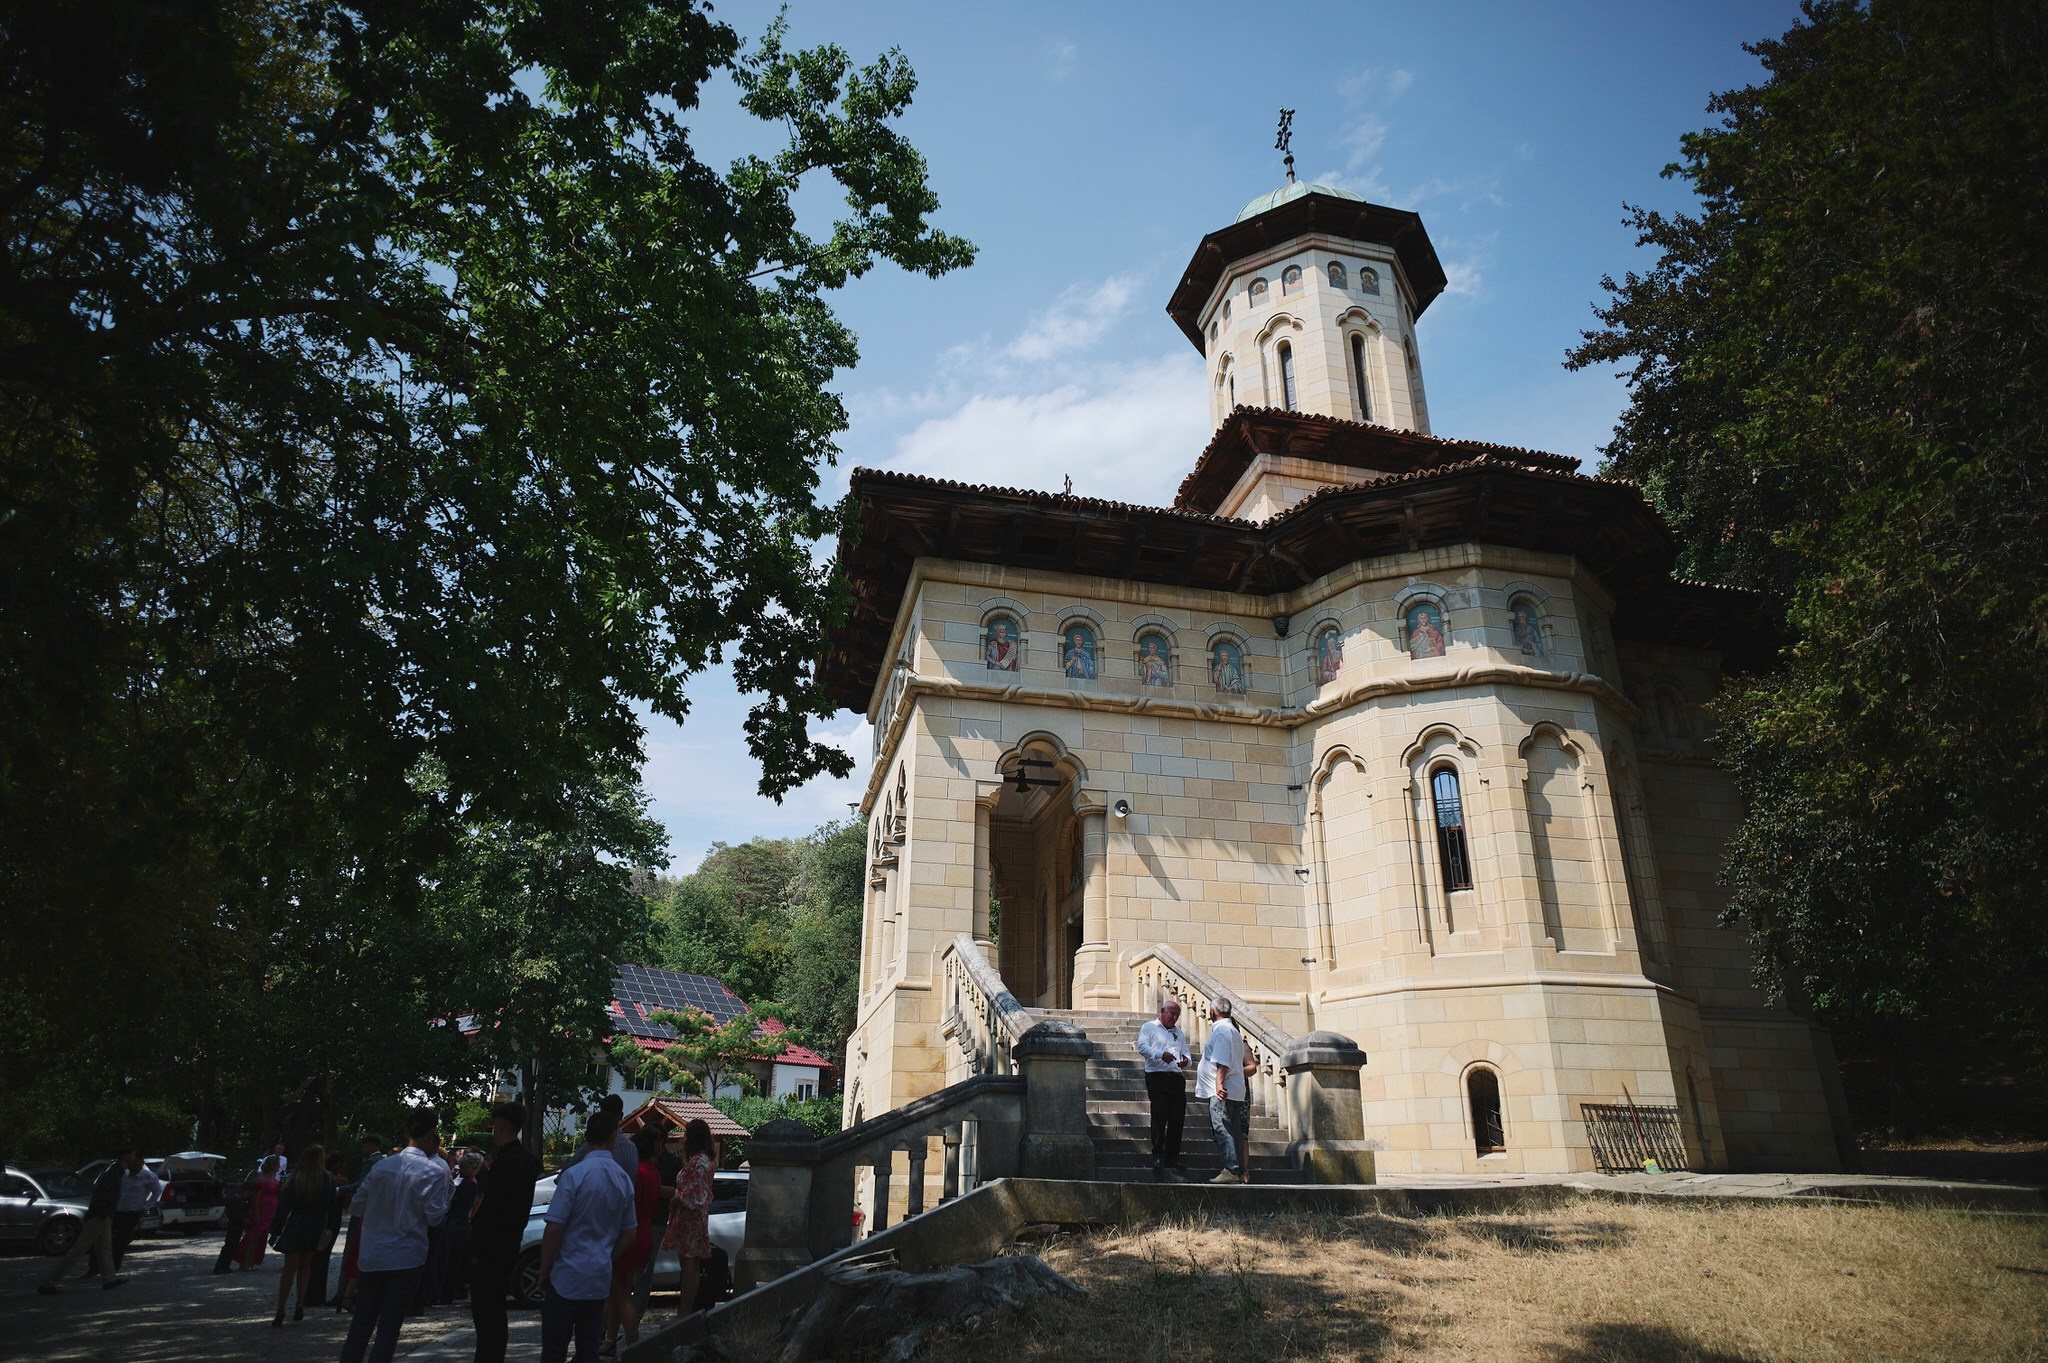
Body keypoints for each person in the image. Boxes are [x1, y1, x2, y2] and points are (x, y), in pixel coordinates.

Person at [340, 1106, 451, 1363]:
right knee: (389, 1328)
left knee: (361, 1324)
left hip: (373, 1253)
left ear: (405, 1132)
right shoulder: (433, 1172)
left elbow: (356, 1206)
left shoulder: (382, 1167)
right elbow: (435, 1218)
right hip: (406, 1255)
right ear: (431, 1134)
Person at [538, 1110, 637, 1363]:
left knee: (554, 1349)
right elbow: (629, 1233)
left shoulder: (574, 1175)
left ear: (586, 1137)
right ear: (613, 1138)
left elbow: (554, 1227)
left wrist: (544, 1269)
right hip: (599, 1274)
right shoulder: (623, 1179)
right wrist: (608, 1255)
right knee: (588, 1347)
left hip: (567, 1272)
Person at [469, 1101, 541, 1363]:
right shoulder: (528, 1161)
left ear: (500, 1128)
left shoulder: (504, 1162)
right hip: (511, 1240)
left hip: (491, 1245)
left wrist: (475, 1246)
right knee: (496, 1309)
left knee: (485, 1310)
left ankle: (486, 1357)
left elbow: (491, 1209)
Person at [605, 1126, 662, 1354]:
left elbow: (630, 1208)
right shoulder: (653, 1172)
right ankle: (611, 1339)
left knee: (621, 1293)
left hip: (632, 1234)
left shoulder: (639, 1174)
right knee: (618, 1291)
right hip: (645, 1231)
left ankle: (633, 1343)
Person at [38, 1147, 126, 1294]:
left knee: (104, 1248)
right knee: (79, 1250)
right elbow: (105, 1196)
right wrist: (105, 1214)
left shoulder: (114, 1171)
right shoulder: (114, 1173)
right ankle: (48, 1283)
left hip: (103, 1215)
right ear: (126, 1156)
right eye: (134, 1156)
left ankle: (109, 1279)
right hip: (100, 1216)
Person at [271, 1144, 334, 1326]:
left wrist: (275, 1231)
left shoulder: (297, 1177)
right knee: (306, 1265)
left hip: (298, 1223)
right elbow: (331, 1205)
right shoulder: (327, 1178)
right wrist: (328, 1228)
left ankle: (281, 1308)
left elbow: (284, 1207)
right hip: (316, 1225)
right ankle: (300, 1303)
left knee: (289, 1269)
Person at [660, 1119, 716, 1317]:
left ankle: (684, 1312)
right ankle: (685, 1311)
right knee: (691, 1265)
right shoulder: (705, 1161)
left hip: (689, 1219)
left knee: (689, 1266)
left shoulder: (698, 1163)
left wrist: (677, 1199)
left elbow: (696, 1195)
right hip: (695, 1219)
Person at [1201, 997, 1252, 1184]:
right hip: (1236, 1089)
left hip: (1224, 1089)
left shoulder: (1222, 1031)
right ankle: (1238, 1170)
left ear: (1212, 1012)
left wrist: (1219, 1084)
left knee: (1222, 1127)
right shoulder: (1233, 1031)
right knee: (1235, 1129)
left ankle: (1231, 1169)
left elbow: (1222, 1060)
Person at [1136, 999, 1192, 1171]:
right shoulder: (1149, 1028)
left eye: (1177, 1015)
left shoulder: (1179, 1033)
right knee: (1160, 1114)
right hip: (1156, 1077)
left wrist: (1186, 1061)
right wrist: (1161, 1054)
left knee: (1177, 1118)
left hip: (1175, 1078)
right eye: (1171, 1014)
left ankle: (1172, 1156)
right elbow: (1142, 1047)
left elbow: (1186, 1053)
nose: (1174, 1018)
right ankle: (1158, 1154)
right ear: (1162, 1011)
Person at [337, 1134, 385, 1310]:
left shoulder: (372, 1162)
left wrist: (340, 1190)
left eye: (364, 1147)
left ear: (372, 1146)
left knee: (351, 1251)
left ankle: (343, 1294)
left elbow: (362, 1185)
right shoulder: (381, 1162)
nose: (362, 1150)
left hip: (364, 1211)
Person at [110, 1149, 162, 1269]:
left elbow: (156, 1192)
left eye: (136, 1163)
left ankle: (113, 1267)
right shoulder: (125, 1175)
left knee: (120, 1241)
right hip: (117, 1210)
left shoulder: (149, 1176)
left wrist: (146, 1206)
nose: (133, 1166)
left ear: (141, 1162)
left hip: (132, 1212)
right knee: (107, 1239)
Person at [239, 1155, 282, 1267]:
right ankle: (245, 1259)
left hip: (270, 1209)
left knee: (260, 1236)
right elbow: (256, 1197)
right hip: (262, 1208)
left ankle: (252, 1258)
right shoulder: (261, 1180)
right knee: (253, 1234)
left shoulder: (274, 1179)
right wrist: (256, 1212)